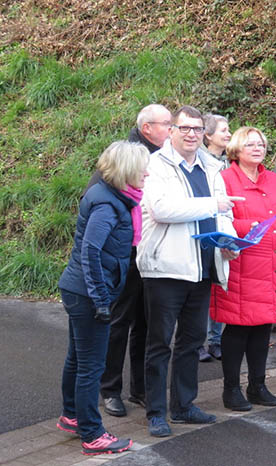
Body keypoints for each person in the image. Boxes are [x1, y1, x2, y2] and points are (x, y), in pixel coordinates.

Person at [136, 106, 239, 437]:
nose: (191, 134)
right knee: (159, 343)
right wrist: (213, 206)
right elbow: (163, 209)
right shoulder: (156, 165)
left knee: (192, 340)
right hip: (166, 268)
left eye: (197, 129)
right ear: (172, 132)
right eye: (185, 128)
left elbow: (225, 211)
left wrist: (230, 240)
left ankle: (183, 405)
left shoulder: (212, 167)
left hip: (203, 267)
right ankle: (156, 412)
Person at [56, 140, 149, 455]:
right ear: (127, 172)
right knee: (91, 367)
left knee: (77, 359)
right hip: (88, 293)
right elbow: (91, 252)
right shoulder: (109, 204)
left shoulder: (111, 195)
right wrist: (100, 300)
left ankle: (72, 416)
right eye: (142, 170)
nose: (147, 174)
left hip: (77, 288)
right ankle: (92, 434)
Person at [210, 126, 276, 411]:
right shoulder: (224, 180)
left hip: (274, 265)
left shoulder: (275, 180)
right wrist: (243, 226)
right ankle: (231, 390)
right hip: (243, 263)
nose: (257, 148)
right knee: (238, 328)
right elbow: (217, 219)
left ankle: (258, 385)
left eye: (261, 144)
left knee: (263, 328)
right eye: (250, 144)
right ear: (237, 149)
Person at [98, 104, 172, 419]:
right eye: (167, 124)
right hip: (126, 256)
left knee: (147, 322)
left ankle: (140, 389)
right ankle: (110, 389)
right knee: (120, 322)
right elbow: (103, 205)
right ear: (147, 129)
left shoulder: (166, 158)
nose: (172, 129)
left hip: (152, 253)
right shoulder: (127, 157)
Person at [198, 113, 233, 362]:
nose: (228, 134)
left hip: (226, 225)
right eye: (223, 130)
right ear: (208, 135)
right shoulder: (200, 163)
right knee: (203, 289)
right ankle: (198, 341)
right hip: (205, 228)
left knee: (221, 287)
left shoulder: (230, 163)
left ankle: (215, 340)